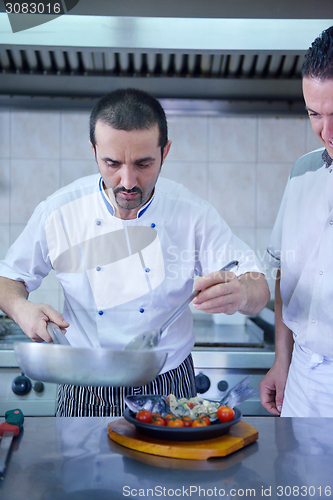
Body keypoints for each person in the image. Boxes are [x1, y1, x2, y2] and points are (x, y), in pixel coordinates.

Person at [0, 88, 269, 416]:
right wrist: (19, 307)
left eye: (143, 163)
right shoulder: (60, 211)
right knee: (76, 469)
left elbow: (258, 284)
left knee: (169, 466)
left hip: (166, 382)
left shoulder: (191, 213)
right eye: (111, 163)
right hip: (85, 381)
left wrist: (240, 294)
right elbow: (8, 279)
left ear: (165, 152)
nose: (128, 181)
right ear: (93, 151)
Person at [259, 26, 333, 417]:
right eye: (314, 114)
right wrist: (282, 360)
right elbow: (287, 275)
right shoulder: (303, 172)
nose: (327, 132)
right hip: (303, 378)